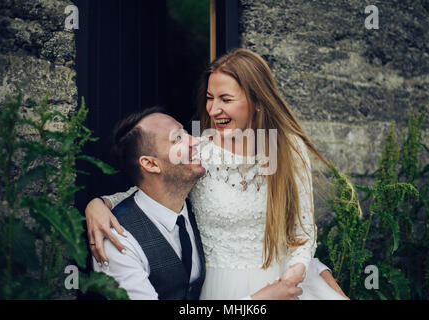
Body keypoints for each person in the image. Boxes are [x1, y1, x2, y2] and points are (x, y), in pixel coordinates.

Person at [87, 48, 350, 299]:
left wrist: (299, 271)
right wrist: (99, 204)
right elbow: (154, 186)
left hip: (285, 280)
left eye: (225, 99)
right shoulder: (201, 151)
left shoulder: (288, 149)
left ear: (256, 101)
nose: (213, 110)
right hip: (221, 287)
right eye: (210, 98)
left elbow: (302, 229)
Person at [88, 106, 304, 300]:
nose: (197, 140)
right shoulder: (116, 242)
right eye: (178, 138)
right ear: (151, 164)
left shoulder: (200, 205)